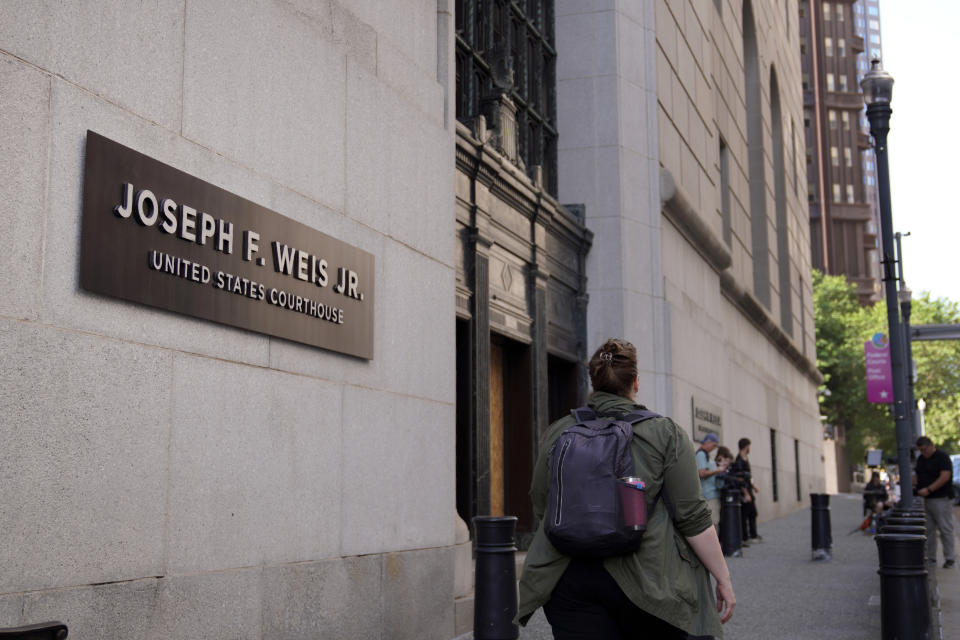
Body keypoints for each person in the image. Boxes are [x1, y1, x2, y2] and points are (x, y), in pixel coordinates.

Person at [518, 338, 735, 639]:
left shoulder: (559, 431)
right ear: (635, 382)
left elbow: (541, 501)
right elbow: (692, 516)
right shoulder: (665, 433)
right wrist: (722, 576)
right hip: (649, 581)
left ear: (594, 382)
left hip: (570, 579)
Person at [913, 436, 956, 569]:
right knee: (929, 530)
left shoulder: (941, 457)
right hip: (928, 499)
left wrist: (929, 489)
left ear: (931, 446)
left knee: (945, 528)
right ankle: (931, 558)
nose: (923, 452)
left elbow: (945, 476)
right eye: (921, 450)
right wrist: (915, 485)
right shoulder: (921, 459)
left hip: (941, 498)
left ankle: (950, 558)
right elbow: (917, 474)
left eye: (925, 449)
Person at [730, 438, 761, 544]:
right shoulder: (738, 460)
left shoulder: (745, 458)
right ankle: (746, 537)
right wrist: (746, 493)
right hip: (744, 491)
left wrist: (753, 485)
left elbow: (748, 476)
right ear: (746, 446)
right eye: (749, 446)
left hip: (748, 489)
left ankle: (752, 534)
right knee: (746, 514)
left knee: (752, 513)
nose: (749, 448)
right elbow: (740, 479)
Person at [696, 433, 728, 526]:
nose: (714, 448)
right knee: (712, 524)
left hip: (712, 494)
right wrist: (718, 470)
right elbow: (702, 473)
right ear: (708, 442)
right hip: (708, 495)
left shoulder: (706, 455)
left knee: (714, 522)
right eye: (714, 445)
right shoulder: (701, 454)